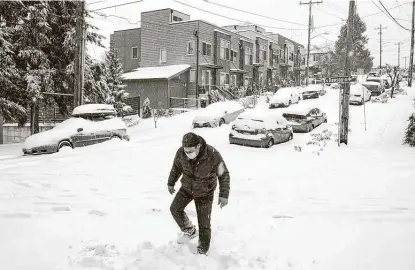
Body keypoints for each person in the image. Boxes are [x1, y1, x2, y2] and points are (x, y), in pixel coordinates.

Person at [168, 132, 230, 255]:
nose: (187, 154)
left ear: (198, 146)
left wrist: (224, 194)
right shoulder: (181, 152)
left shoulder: (212, 154)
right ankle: (189, 230)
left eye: (190, 151)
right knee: (175, 209)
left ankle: (202, 250)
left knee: (204, 223)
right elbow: (176, 168)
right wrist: (171, 183)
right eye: (186, 151)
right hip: (187, 188)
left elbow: (223, 174)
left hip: (205, 192)